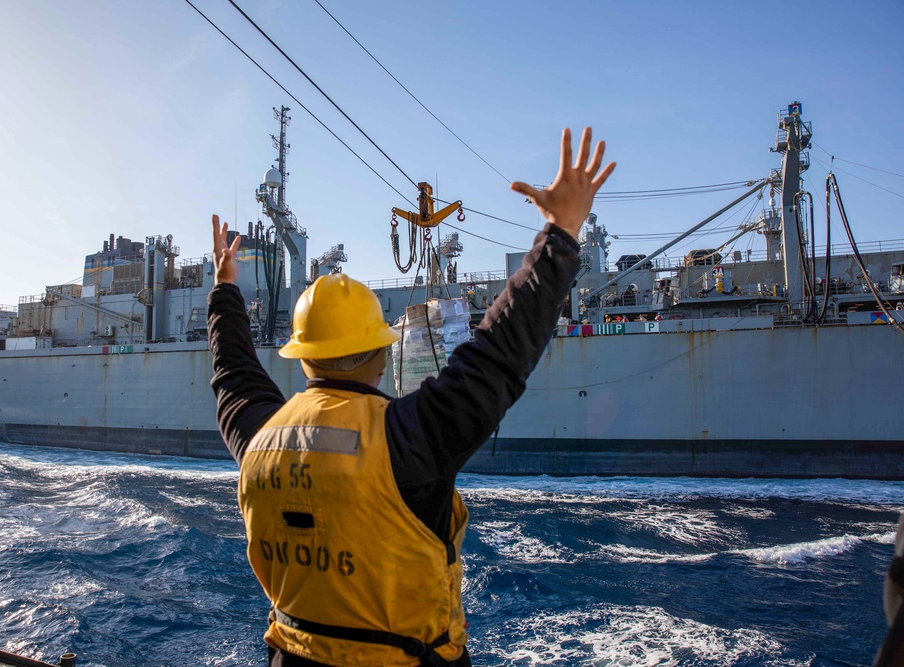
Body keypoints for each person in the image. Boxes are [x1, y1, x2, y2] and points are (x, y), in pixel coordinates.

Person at [208, 127, 615, 666]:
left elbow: (233, 371)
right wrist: (562, 233)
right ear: (382, 356)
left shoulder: (258, 439)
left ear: (302, 357)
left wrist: (224, 287)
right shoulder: (407, 440)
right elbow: (498, 355)